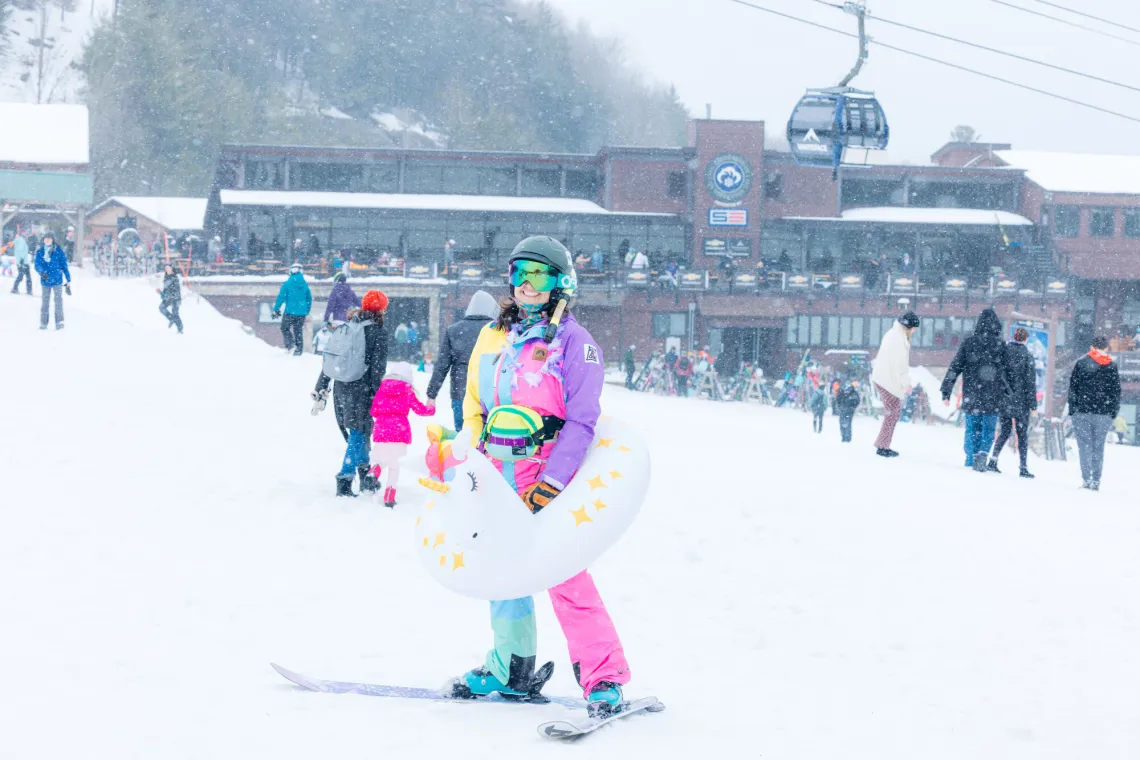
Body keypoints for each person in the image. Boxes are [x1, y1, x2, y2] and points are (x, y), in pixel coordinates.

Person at [453, 235, 631, 716]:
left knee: (565, 574)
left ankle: (603, 675)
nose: (528, 285)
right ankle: (512, 668)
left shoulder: (576, 344)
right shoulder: (500, 337)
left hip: (547, 475)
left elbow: (582, 421)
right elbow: (479, 403)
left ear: (560, 284)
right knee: (502, 573)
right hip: (497, 472)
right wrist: (468, 457)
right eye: (519, 274)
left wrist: (550, 483)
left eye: (540, 275)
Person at [313, 291, 389, 497]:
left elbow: (332, 359)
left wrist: (322, 384)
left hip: (341, 385)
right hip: (362, 388)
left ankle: (366, 477)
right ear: (381, 309)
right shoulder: (378, 332)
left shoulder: (347, 327)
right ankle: (345, 479)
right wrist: (376, 394)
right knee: (358, 432)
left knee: (360, 431)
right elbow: (377, 368)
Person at [940, 308, 1010, 472]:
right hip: (993, 394)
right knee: (989, 427)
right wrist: (1010, 392)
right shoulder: (1000, 345)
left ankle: (971, 456)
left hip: (973, 393)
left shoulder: (969, 343)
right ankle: (983, 454)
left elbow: (955, 367)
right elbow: (1009, 372)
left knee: (972, 427)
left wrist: (946, 389)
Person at [427, 290, 499, 431]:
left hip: (460, 391)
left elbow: (442, 366)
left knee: (463, 434)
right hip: (489, 392)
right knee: (490, 436)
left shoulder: (453, 330)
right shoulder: (497, 330)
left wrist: (431, 394)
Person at [369, 358, 435, 507]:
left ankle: (376, 469)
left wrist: (384, 415)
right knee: (394, 464)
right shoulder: (407, 391)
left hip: (381, 430)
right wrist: (431, 408)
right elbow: (421, 410)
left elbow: (373, 410)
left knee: (385, 459)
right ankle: (389, 497)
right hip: (399, 431)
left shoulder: (382, 389)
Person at [1068, 336, 1121, 491]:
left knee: (1084, 446)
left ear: (1092, 347)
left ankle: (1086, 479)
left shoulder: (1081, 363)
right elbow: (1116, 391)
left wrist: (1073, 409)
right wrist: (1112, 411)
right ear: (1105, 348)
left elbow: (1073, 388)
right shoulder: (1111, 366)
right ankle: (1096, 480)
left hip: (1082, 412)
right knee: (1098, 447)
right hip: (1104, 413)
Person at [988, 327, 1036, 477]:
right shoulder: (1027, 356)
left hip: (1005, 400)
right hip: (1022, 402)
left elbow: (997, 374)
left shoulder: (1004, 352)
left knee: (1005, 431)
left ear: (1014, 337)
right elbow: (1030, 382)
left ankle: (993, 460)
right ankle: (1023, 467)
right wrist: (1033, 405)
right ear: (1025, 339)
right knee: (1022, 435)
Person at [871, 311, 920, 457]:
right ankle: (882, 446)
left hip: (883, 378)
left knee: (892, 412)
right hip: (887, 380)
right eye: (914, 328)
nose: (914, 331)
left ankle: (883, 445)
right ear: (908, 326)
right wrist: (907, 384)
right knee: (892, 413)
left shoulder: (893, 334)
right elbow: (900, 365)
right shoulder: (898, 339)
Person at [273, 263, 312, 355]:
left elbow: (281, 297)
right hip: (301, 313)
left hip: (289, 312)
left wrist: (276, 309)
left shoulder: (287, 284)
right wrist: (306, 311)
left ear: (291, 271)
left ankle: (290, 344)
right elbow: (309, 299)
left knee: (284, 328)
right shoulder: (305, 285)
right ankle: (298, 350)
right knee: (298, 331)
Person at [34, 233, 71, 330]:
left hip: (57, 280)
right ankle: (43, 322)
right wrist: (42, 272)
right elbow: (37, 264)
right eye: (46, 238)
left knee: (58, 301)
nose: (47, 240)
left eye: (49, 239)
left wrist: (68, 279)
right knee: (45, 302)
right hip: (45, 280)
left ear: (53, 240)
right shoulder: (40, 251)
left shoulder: (59, 251)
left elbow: (64, 266)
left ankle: (59, 322)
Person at [157, 263, 183, 333]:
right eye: (166, 268)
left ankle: (180, 329)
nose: (167, 269)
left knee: (175, 314)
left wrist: (165, 295)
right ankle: (172, 319)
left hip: (175, 298)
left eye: (168, 268)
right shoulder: (166, 277)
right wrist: (161, 293)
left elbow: (174, 290)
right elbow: (166, 290)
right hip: (168, 298)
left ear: (172, 269)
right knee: (161, 308)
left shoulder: (174, 278)